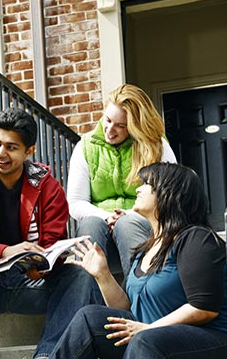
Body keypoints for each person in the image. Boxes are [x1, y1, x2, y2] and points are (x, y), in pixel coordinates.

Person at [0, 107, 103, 359]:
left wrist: (43, 262)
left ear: (29, 151)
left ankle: (49, 355)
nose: (0, 153)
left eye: (11, 147)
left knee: (79, 276)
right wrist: (5, 251)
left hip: (30, 283)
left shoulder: (48, 187)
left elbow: (53, 241)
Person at [49, 162, 227, 359]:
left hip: (210, 341)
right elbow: (125, 309)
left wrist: (147, 328)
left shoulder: (196, 238)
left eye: (146, 183)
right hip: (150, 341)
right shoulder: (146, 249)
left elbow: (203, 308)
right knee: (89, 318)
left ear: (168, 192)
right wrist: (103, 275)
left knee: (144, 341)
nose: (138, 189)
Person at [67, 83, 177, 277]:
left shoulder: (157, 146)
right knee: (91, 224)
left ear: (136, 126)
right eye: (107, 120)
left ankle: (141, 298)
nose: (110, 130)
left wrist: (125, 215)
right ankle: (85, 302)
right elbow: (75, 203)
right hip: (101, 228)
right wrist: (107, 217)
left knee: (127, 225)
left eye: (121, 126)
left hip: (143, 226)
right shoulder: (85, 146)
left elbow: (169, 196)